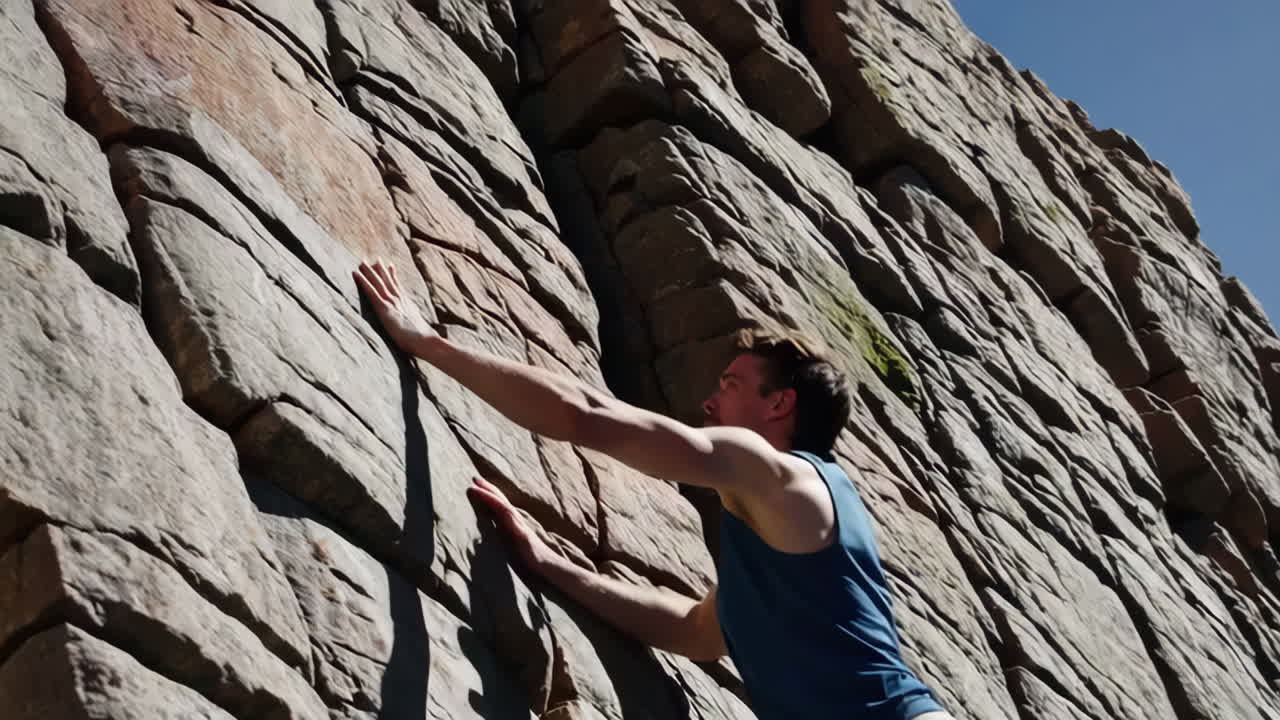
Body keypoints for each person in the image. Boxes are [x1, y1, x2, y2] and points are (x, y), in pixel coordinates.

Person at [354, 260, 952, 719]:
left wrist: (425, 342)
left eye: (731, 384)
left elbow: (586, 415)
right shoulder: (785, 526)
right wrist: (551, 566)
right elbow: (695, 631)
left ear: (779, 404)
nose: (709, 402)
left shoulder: (777, 474)